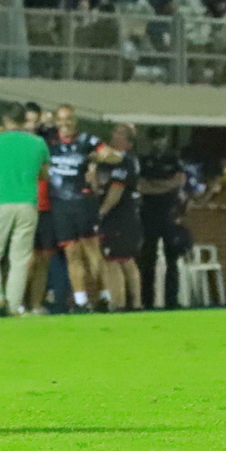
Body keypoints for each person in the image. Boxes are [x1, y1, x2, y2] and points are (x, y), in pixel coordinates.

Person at [44, 104, 120, 311]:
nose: (65, 123)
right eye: (61, 119)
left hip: (83, 202)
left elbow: (114, 156)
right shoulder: (48, 142)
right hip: (60, 203)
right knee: (72, 253)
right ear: (56, 121)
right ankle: (80, 301)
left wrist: (101, 156)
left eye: (69, 119)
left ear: (75, 120)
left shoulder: (87, 140)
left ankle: (103, 296)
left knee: (92, 250)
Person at [0, 106, 49, 317]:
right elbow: (44, 175)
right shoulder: (38, 143)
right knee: (20, 257)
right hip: (28, 203)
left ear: (5, 119)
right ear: (24, 120)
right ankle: (14, 304)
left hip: (0, 202)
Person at [136, 127, 188, 309]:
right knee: (147, 258)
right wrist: (166, 186)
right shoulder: (143, 161)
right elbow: (140, 185)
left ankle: (171, 300)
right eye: (155, 139)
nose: (158, 142)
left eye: (161, 138)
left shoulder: (173, 160)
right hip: (148, 214)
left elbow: (180, 181)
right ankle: (147, 301)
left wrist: (155, 186)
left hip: (169, 214)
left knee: (172, 258)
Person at [95, 124, 143, 311]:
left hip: (120, 217)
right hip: (125, 216)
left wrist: (101, 213)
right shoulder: (110, 160)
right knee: (127, 260)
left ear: (128, 142)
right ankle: (136, 303)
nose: (114, 135)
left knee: (113, 260)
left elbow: (116, 191)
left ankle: (118, 303)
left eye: (120, 134)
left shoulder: (124, 161)